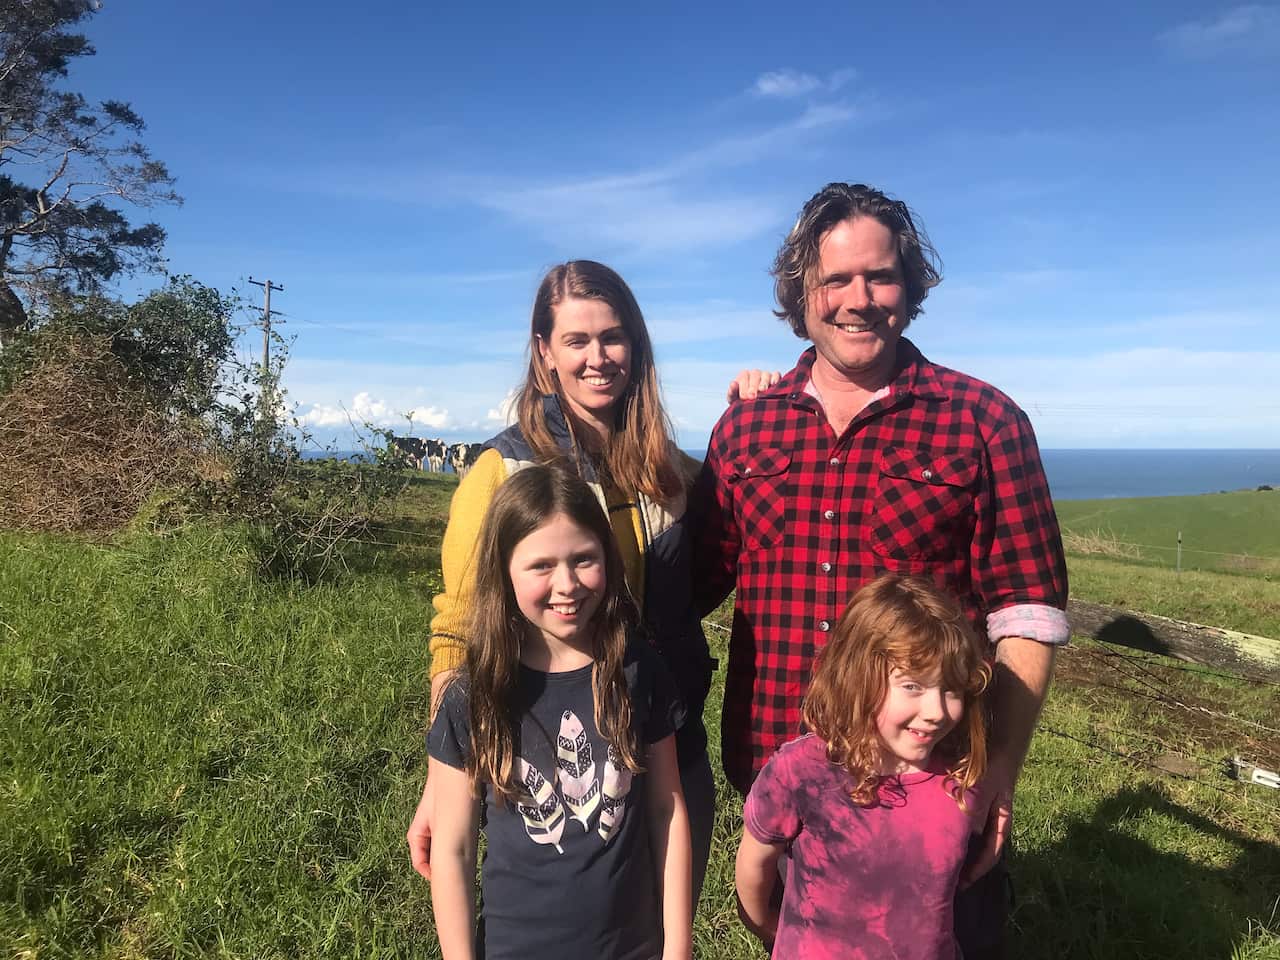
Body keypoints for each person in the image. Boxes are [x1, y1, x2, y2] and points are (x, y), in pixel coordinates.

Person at [692, 182, 1070, 957]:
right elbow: (690, 579)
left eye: (881, 276)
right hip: (787, 782)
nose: (858, 300)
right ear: (801, 295)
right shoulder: (744, 428)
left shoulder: (985, 420)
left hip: (935, 796)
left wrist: (998, 767)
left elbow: (1028, 608)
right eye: (835, 280)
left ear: (913, 287)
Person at [411, 260, 759, 903]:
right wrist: (443, 777)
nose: (598, 357)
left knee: (659, 928)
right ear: (545, 352)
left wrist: (755, 416)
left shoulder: (675, 473)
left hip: (668, 745)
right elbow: (458, 628)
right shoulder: (501, 470)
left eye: (613, 336)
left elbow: (706, 573)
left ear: (637, 345)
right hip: (553, 757)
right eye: (576, 340)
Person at [429, 464, 692, 960]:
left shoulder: (638, 670)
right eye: (541, 565)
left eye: (584, 559)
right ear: (504, 569)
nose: (567, 584)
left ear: (609, 560)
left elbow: (667, 809)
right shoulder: (473, 693)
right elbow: (453, 847)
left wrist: (678, 948)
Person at [735, 574, 991, 960]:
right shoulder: (801, 772)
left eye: (951, 689)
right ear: (857, 676)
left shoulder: (961, 780)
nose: (937, 712)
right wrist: (774, 930)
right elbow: (755, 865)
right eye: (913, 686)